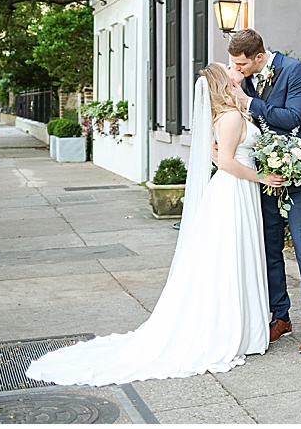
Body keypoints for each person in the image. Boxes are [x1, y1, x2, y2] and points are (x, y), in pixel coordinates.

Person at [26, 63, 284, 386]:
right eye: (227, 68)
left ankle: (245, 327)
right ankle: (232, 330)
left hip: (237, 191)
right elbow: (228, 161)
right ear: (222, 81)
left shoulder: (232, 113)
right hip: (234, 191)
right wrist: (261, 176)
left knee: (236, 257)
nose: (233, 70)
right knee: (229, 258)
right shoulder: (230, 117)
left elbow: (218, 157)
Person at [227, 29, 301, 354]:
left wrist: (250, 102)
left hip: (299, 178)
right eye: (233, 64)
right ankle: (280, 316)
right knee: (269, 249)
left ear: (260, 57)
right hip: (265, 176)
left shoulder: (295, 71)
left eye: (241, 63)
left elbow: (293, 118)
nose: (237, 69)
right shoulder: (243, 78)